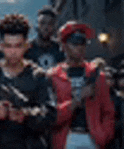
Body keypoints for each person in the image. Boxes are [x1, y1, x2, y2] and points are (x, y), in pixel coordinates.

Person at [0, 14, 57, 149]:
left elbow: (50, 114)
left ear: (27, 45)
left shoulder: (39, 76)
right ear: (1, 46)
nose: (13, 52)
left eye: (18, 46)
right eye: (8, 46)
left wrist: (26, 115)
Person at [47, 21, 115, 149]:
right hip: (66, 139)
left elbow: (108, 112)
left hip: (94, 138)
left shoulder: (97, 75)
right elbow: (51, 116)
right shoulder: (53, 76)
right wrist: (77, 100)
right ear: (64, 45)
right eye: (74, 43)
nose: (79, 47)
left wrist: (104, 135)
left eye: (83, 43)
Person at [25, 5, 65, 70]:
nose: (46, 27)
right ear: (37, 25)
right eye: (42, 23)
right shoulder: (27, 49)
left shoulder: (60, 49)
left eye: (50, 23)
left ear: (54, 27)